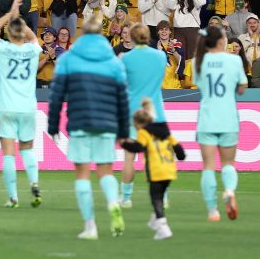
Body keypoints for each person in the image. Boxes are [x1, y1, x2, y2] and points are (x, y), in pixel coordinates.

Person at [47, 19, 129, 240]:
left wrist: (53, 124)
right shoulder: (113, 61)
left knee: (82, 174)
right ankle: (113, 203)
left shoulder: (69, 59)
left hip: (80, 122)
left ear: (82, 32)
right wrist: (123, 129)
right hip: (106, 122)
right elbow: (122, 98)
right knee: (106, 170)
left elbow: (56, 95)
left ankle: (90, 226)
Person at [0, 0, 43, 208]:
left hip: (8, 108)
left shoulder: (2, 48)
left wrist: (10, 14)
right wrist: (20, 21)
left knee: (8, 154)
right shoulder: (33, 50)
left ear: (9, 33)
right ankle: (34, 183)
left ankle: (13, 197)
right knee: (27, 150)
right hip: (28, 107)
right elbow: (33, 36)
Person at [192, 25, 248, 222]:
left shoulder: (197, 61)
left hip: (207, 118)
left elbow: (200, 85)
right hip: (228, 118)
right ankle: (229, 191)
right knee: (228, 164)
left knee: (208, 166)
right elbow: (242, 87)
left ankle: (212, 211)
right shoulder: (233, 60)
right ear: (221, 41)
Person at [120, 98, 186, 240]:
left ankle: (162, 225)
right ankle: (154, 219)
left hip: (156, 171)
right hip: (170, 171)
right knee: (160, 195)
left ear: (137, 124)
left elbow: (138, 147)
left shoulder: (143, 133)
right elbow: (180, 151)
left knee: (155, 198)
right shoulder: (166, 133)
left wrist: (123, 143)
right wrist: (181, 157)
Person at [119, 23, 169, 209]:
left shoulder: (125, 58)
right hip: (155, 112)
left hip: (133, 111)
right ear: (148, 36)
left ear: (131, 37)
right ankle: (162, 198)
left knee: (129, 157)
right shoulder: (160, 56)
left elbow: (122, 83)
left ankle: (126, 198)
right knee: (157, 157)